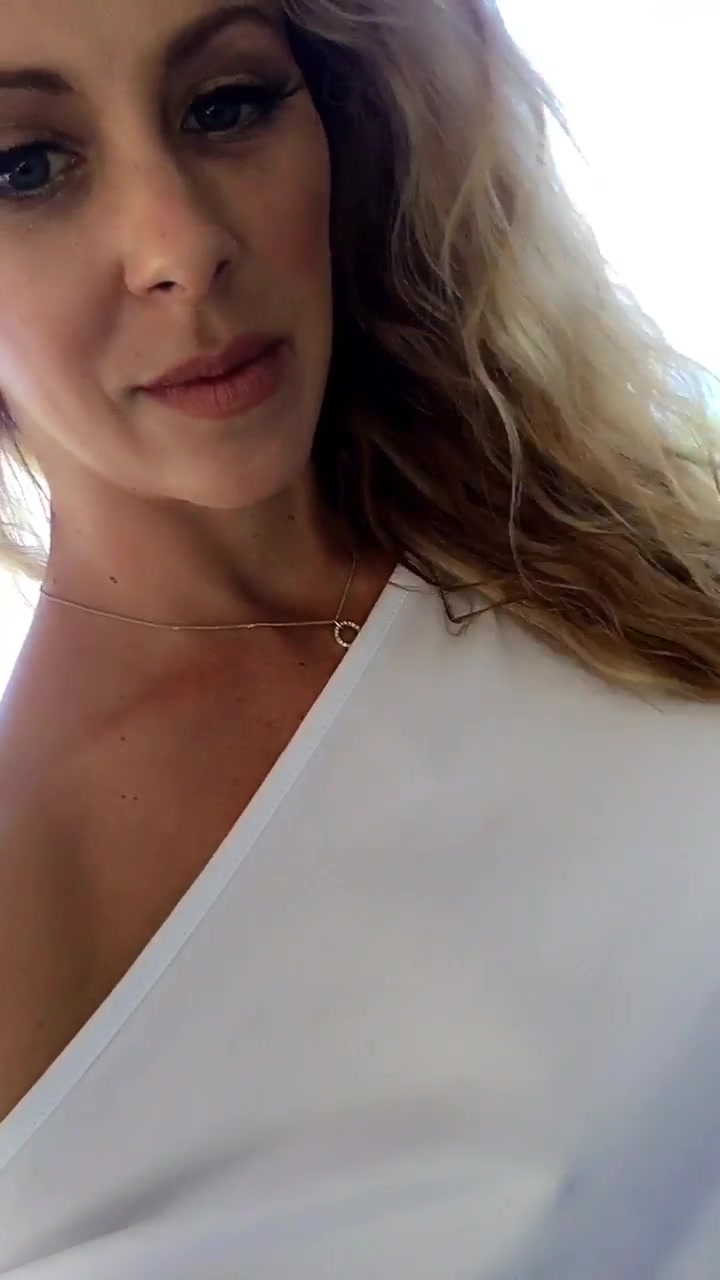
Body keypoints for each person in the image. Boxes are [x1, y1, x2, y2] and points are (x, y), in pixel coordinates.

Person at [0, 0, 719, 1274]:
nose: (181, 245)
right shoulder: (28, 932)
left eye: (226, 104)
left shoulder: (614, 534)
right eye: (25, 166)